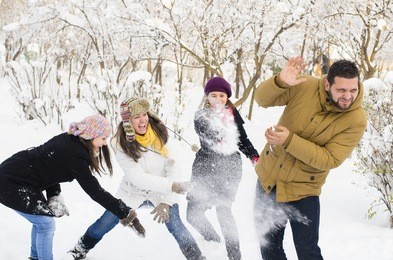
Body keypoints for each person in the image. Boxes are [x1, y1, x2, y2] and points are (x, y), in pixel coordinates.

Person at [253, 56, 367, 260]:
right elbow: (262, 100)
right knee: (269, 248)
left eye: (353, 90)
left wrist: (288, 140)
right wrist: (280, 82)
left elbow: (329, 158)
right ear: (327, 84)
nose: (347, 97)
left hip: (304, 191)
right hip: (269, 181)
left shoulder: (356, 119)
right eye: (341, 90)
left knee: (308, 252)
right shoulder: (305, 86)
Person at [69, 97, 205, 260]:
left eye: (144, 114)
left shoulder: (162, 135)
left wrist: (167, 200)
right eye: (136, 117)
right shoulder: (118, 142)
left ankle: (197, 258)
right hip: (132, 191)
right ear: (128, 122)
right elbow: (137, 178)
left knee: (176, 226)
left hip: (162, 192)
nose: (142, 120)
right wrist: (173, 186)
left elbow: (173, 168)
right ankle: (79, 250)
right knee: (105, 222)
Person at [0, 114, 143, 260]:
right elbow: (95, 192)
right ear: (92, 136)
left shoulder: (70, 140)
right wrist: (125, 212)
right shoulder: (76, 154)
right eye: (103, 138)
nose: (105, 143)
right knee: (45, 224)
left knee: (42, 221)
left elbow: (49, 167)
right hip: (11, 180)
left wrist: (53, 195)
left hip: (21, 174)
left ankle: (36, 257)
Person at [186, 77, 260, 260]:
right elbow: (212, 136)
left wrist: (255, 157)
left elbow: (242, 140)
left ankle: (235, 256)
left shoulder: (233, 115)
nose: (218, 99)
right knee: (192, 213)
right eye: (214, 95)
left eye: (222, 95)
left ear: (227, 97)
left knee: (223, 211)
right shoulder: (200, 116)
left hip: (229, 167)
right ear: (207, 97)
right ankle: (212, 240)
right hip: (205, 167)